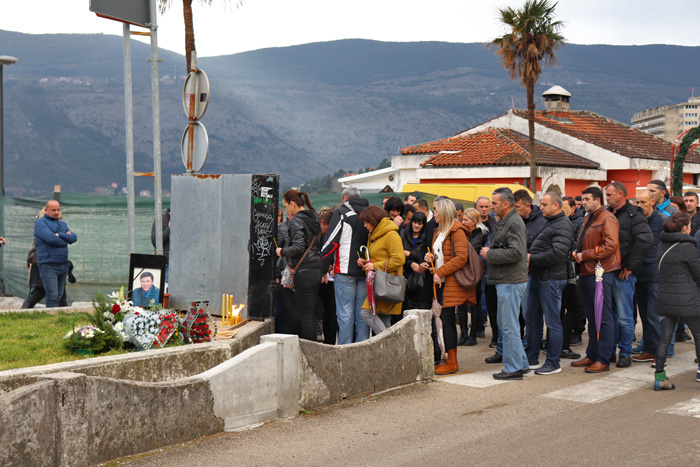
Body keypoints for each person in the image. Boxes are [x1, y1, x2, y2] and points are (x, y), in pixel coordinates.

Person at [480, 187, 529, 380]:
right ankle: (521, 364)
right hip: (506, 280)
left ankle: (513, 368)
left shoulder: (513, 223)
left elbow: (517, 253)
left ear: (505, 204)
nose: (492, 207)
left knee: (509, 326)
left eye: (494, 203)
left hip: (510, 281)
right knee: (508, 325)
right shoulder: (507, 221)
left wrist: (489, 254)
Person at [572, 186, 621, 373]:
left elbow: (611, 245)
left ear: (597, 200)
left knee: (604, 318)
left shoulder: (607, 218)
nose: (583, 202)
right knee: (593, 318)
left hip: (601, 272)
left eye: (586, 199)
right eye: (582, 199)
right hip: (587, 271)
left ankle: (603, 358)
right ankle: (592, 354)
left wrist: (585, 255)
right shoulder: (589, 218)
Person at [604, 182, 652, 368]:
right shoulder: (607, 213)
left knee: (624, 316)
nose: (607, 197)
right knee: (610, 315)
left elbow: (645, 240)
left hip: (623, 272)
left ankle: (625, 352)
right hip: (607, 271)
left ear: (621, 194)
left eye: (609, 194)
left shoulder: (634, 214)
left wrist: (630, 266)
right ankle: (609, 351)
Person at [525, 192, 572, 375]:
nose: (540, 207)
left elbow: (557, 253)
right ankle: (532, 358)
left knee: (552, 322)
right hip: (539, 276)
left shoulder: (562, 224)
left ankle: (553, 362)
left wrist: (531, 258)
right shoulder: (550, 222)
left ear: (556, 205)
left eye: (544, 204)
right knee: (532, 317)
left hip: (551, 278)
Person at [423, 198, 471, 375]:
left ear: (443, 212)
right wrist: (431, 258)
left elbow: (461, 257)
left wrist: (440, 271)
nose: (433, 213)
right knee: (444, 320)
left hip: (449, 282)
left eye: (435, 210)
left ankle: (452, 361)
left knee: (447, 320)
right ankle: (447, 359)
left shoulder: (456, 230)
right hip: (440, 282)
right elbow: (443, 254)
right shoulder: (440, 230)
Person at [653, 212, 700, 391]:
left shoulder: (662, 244)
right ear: (684, 228)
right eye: (689, 225)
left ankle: (659, 378)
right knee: (698, 336)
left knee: (664, 338)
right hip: (688, 299)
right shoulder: (687, 247)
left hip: (665, 297)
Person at [319, 187, 370, 344]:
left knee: (345, 314)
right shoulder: (370, 213)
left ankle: (345, 351)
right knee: (362, 314)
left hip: (345, 270)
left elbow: (331, 242)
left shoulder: (342, 213)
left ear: (345, 198)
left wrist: (322, 268)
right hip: (365, 270)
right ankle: (361, 349)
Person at [276, 190, 322, 341]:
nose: (286, 209)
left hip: (304, 271)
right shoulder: (314, 216)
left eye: (285, 206)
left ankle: (308, 350)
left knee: (305, 315)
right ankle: (313, 346)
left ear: (292, 204)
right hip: (316, 269)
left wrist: (282, 251)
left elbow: (298, 247)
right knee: (311, 313)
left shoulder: (296, 221)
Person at [357, 206, 405, 335]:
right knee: (384, 320)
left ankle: (389, 342)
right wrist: (365, 263)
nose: (365, 225)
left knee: (366, 312)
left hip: (385, 283)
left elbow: (399, 259)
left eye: (367, 222)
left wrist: (374, 266)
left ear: (374, 220)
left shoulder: (391, 235)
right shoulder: (374, 235)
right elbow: (377, 259)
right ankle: (392, 352)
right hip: (379, 284)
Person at [631, 189, 664, 363]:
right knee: (643, 314)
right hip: (638, 272)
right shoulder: (636, 221)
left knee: (653, 315)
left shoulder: (661, 221)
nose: (639, 206)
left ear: (653, 202)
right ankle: (650, 349)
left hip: (654, 273)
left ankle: (660, 354)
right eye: (637, 202)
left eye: (643, 202)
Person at [34, 200, 77, 308]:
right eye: (53, 210)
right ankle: (50, 319)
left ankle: (56, 318)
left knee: (59, 296)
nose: (57, 212)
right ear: (45, 210)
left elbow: (74, 238)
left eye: (58, 209)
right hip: (48, 266)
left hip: (63, 265)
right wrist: (65, 238)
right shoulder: (40, 223)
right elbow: (50, 239)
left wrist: (59, 234)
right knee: (52, 296)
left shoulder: (62, 224)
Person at [457, 208, 488, 346]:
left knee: (474, 305)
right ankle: (463, 334)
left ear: (473, 222)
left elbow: (473, 251)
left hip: (475, 273)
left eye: (465, 220)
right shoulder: (460, 233)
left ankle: (473, 334)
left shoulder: (482, 234)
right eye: (462, 219)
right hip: (461, 271)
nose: (462, 222)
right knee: (461, 305)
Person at [401, 210, 428, 311]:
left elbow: (423, 255)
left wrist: (410, 254)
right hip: (404, 275)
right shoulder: (404, 234)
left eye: (419, 223)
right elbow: (400, 254)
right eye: (415, 222)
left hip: (419, 279)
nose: (416, 225)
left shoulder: (426, 238)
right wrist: (411, 263)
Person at [318, 210, 338, 344]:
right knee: (326, 312)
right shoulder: (318, 236)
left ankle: (330, 340)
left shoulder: (326, 236)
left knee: (330, 313)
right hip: (324, 278)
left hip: (330, 279)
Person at [151, 208, 170, 283]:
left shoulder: (185, 219)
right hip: (165, 264)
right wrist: (169, 229)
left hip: (182, 266)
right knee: (164, 292)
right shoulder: (160, 219)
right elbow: (155, 241)